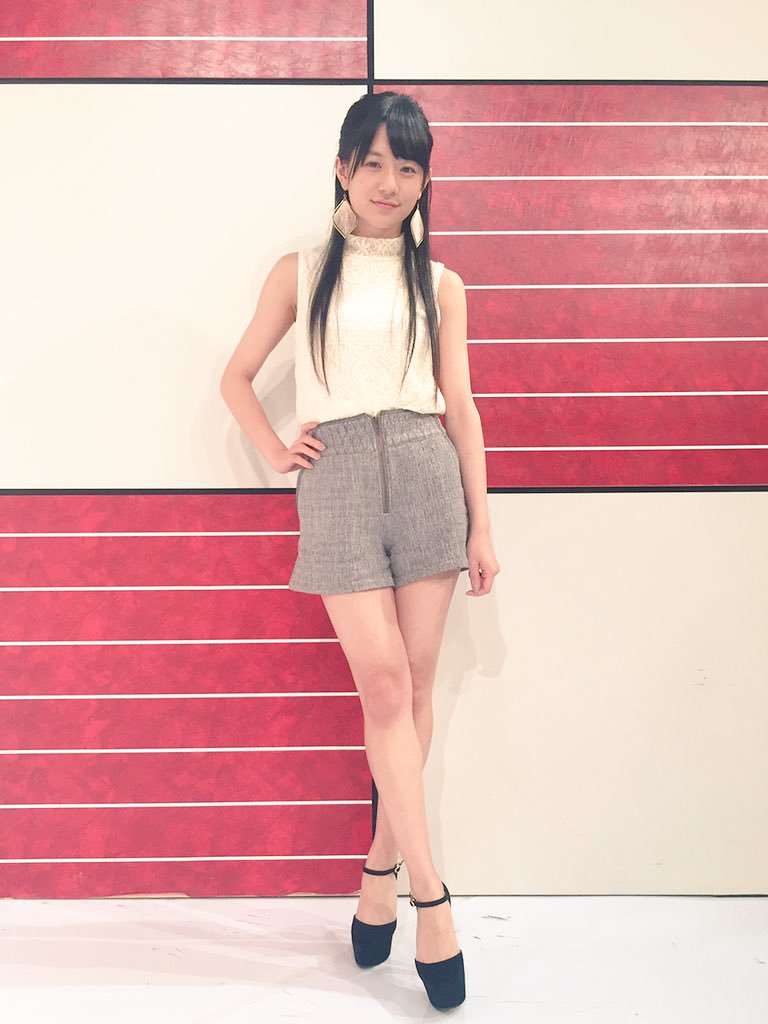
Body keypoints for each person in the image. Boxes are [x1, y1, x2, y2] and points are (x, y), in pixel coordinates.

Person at [220, 90, 499, 1011]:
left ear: (424, 181)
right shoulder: (300, 271)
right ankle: (432, 899)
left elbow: (462, 406)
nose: (389, 182)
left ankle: (380, 869)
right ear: (342, 167)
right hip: (336, 479)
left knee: (414, 690)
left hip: (425, 472)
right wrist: (275, 449)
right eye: (372, 162)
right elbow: (235, 376)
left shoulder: (441, 283)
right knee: (383, 687)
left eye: (407, 167)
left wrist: (482, 523)